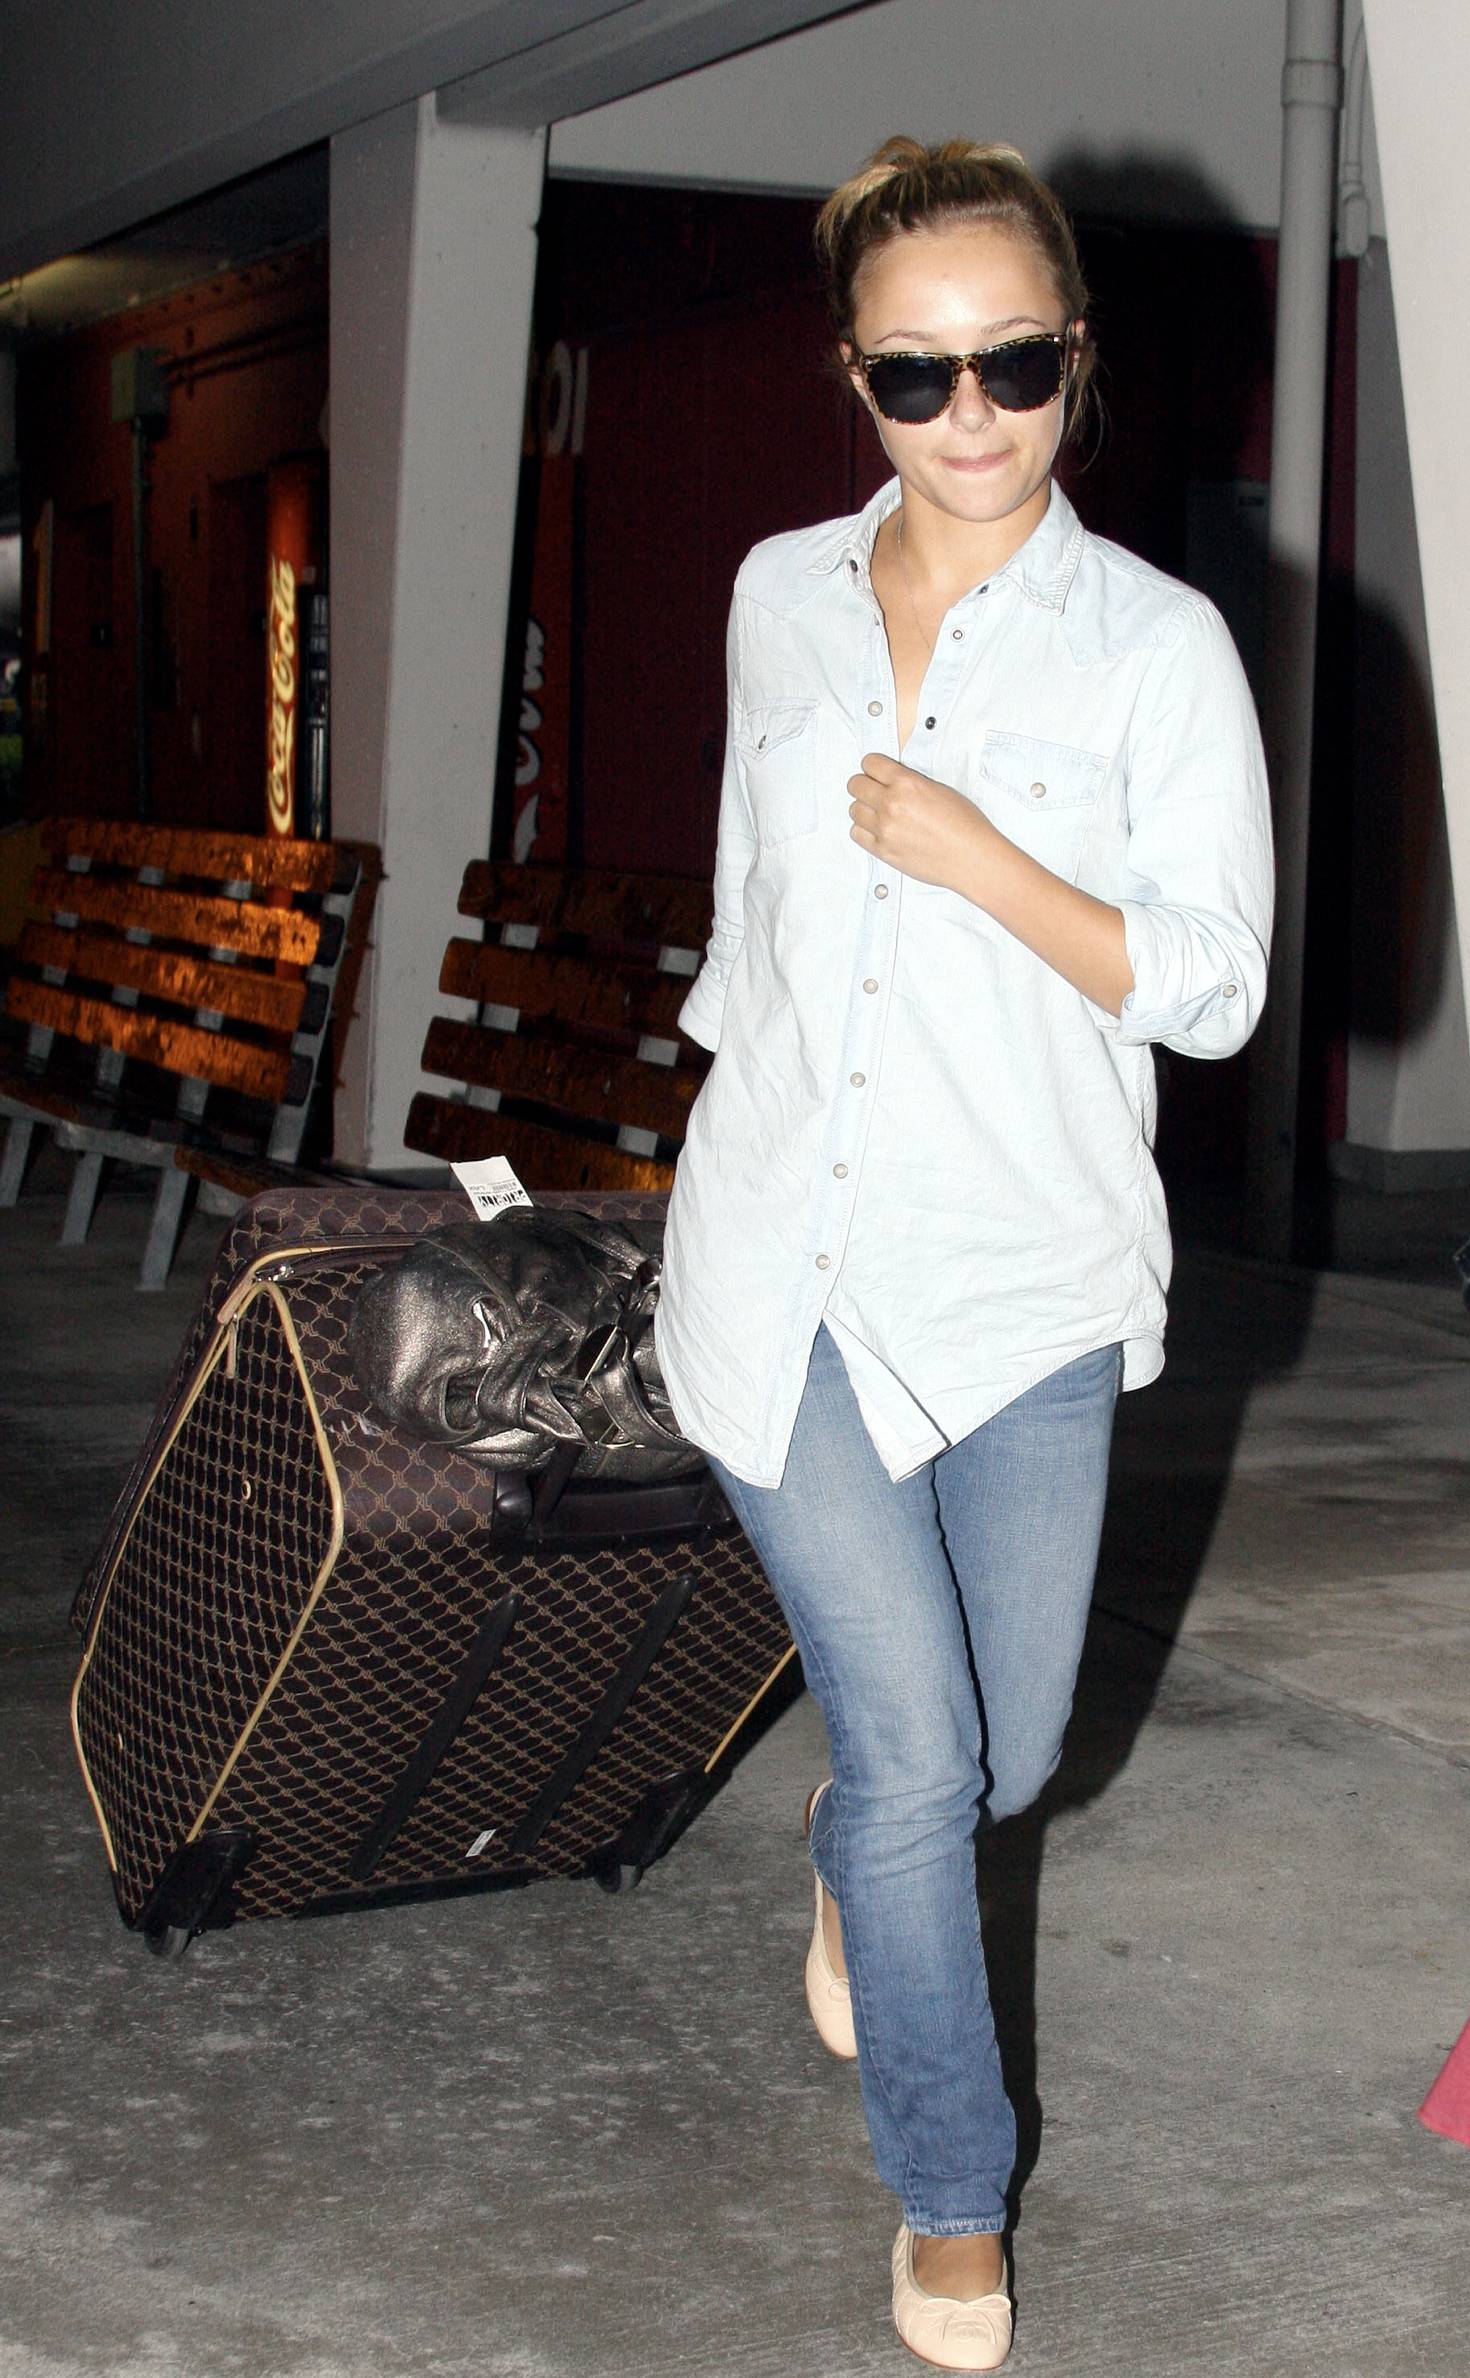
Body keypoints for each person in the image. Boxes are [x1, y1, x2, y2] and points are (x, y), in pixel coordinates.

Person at [653, 135, 1273, 2373]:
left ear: (1074, 356)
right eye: (917, 375)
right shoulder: (778, 596)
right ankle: (950, 2199)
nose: (971, 413)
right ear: (857, 379)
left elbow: (1214, 986)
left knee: (997, 1767)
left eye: (1013, 361)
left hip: (1021, 1278)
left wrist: (984, 857)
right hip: (785, 1259)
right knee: (926, 1753)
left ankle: (857, 1850)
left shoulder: (1158, 647)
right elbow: (751, 915)